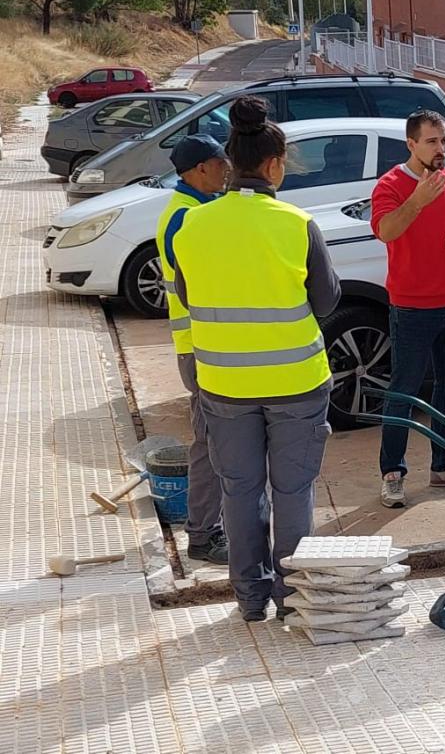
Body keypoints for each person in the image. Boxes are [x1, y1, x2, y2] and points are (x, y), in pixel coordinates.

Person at [172, 96, 341, 622]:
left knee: (239, 492)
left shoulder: (192, 225)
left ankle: (249, 598)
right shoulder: (296, 223)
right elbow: (327, 300)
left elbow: (185, 290)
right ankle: (292, 598)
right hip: (296, 383)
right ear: (272, 165)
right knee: (292, 493)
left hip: (223, 384)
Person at [371, 110, 445, 509]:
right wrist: (417, 201)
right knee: (402, 391)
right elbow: (385, 230)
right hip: (412, 307)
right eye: (432, 142)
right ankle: (392, 474)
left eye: (443, 141)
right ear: (411, 144)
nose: (441, 149)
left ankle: (444, 466)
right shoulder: (390, 185)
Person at [155, 134, 231, 565]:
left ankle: (208, 528)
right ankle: (203, 534)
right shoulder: (186, 218)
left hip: (202, 345)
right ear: (201, 168)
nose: (226, 170)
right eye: (220, 163)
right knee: (211, 444)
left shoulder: (191, 210)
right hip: (199, 348)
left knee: (215, 441)